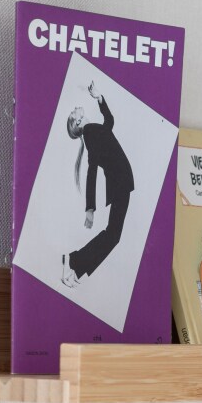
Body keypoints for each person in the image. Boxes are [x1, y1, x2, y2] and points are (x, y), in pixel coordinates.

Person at [61, 81, 135, 287]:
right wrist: (90, 208)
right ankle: (73, 261)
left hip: (121, 183)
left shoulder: (93, 131)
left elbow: (109, 122)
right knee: (113, 236)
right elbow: (91, 170)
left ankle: (75, 268)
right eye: (73, 112)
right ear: (77, 122)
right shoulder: (90, 133)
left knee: (113, 235)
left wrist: (100, 98)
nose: (76, 108)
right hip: (120, 183)